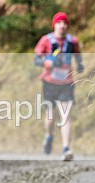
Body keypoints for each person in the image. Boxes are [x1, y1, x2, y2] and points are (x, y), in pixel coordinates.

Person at [33, 12, 84, 161]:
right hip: (49, 82)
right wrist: (46, 63)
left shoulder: (72, 41)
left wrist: (80, 65)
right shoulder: (46, 40)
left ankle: (66, 148)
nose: (62, 25)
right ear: (54, 25)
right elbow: (36, 58)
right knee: (51, 116)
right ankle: (49, 136)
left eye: (65, 23)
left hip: (67, 83)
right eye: (59, 23)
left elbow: (78, 55)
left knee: (66, 115)